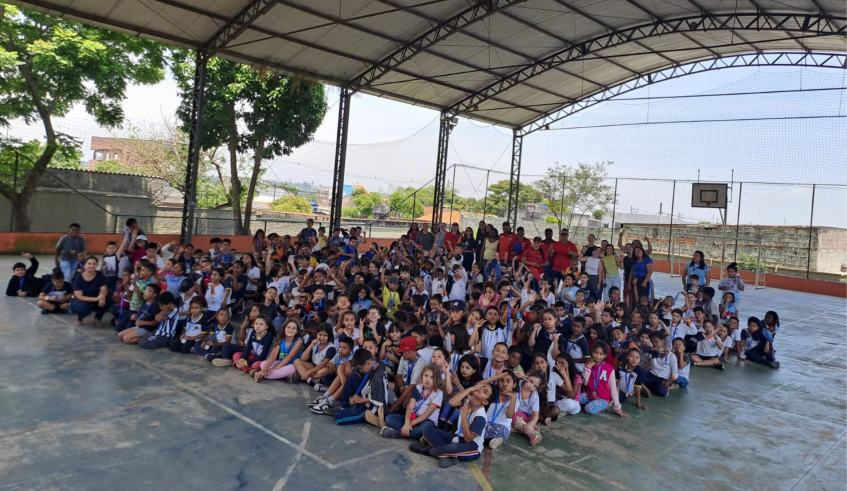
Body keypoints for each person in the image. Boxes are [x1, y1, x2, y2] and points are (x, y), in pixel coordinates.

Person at [409, 383, 495, 468]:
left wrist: (464, 417)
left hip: (472, 447)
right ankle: (451, 457)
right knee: (427, 429)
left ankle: (429, 451)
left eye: (485, 391)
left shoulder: (480, 417)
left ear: (485, 401)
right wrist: (470, 389)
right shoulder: (467, 401)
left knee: (453, 447)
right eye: (482, 387)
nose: (481, 389)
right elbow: (452, 402)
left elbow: (468, 439)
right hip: (457, 437)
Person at [381, 363, 444, 440]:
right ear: (422, 376)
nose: (428, 379)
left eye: (432, 377)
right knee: (389, 418)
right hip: (414, 417)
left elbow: (426, 415)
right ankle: (416, 435)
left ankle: (396, 433)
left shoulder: (438, 393)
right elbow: (410, 407)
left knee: (425, 428)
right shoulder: (417, 388)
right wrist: (407, 423)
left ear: (436, 380)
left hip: (427, 421)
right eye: (426, 376)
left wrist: (410, 424)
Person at [581, 341, 627, 417]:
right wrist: (588, 367)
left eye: (601, 354)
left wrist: (618, 409)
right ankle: (594, 403)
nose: (598, 356)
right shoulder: (587, 364)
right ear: (591, 352)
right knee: (575, 398)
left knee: (588, 409)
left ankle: (604, 406)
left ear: (605, 355)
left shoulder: (609, 369)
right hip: (589, 395)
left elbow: (613, 389)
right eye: (595, 352)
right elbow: (585, 383)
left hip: (603, 399)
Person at [71, 256, 111, 326]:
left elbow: (104, 289)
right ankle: (79, 318)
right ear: (85, 265)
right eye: (89, 263)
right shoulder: (78, 278)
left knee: (108, 300)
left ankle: (98, 318)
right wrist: (96, 299)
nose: (91, 266)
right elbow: (79, 296)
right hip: (81, 301)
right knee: (84, 308)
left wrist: (102, 296)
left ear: (96, 265)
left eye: (94, 264)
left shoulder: (100, 275)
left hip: (96, 298)